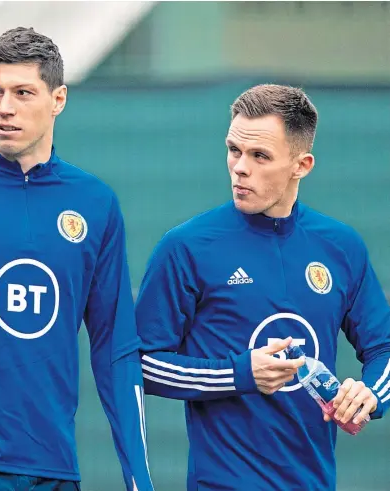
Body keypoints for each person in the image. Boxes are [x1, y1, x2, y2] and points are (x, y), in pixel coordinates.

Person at [135, 84, 390, 490]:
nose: (239, 167)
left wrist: (370, 395)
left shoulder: (341, 246)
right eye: (234, 150)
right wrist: (238, 373)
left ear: (301, 165)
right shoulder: (186, 247)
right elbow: (139, 365)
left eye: (260, 156)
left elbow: (384, 346)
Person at [0, 27, 153, 491]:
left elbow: (115, 350)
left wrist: (139, 477)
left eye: (23, 93)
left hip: (52, 471)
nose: (4, 108)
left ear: (58, 99)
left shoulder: (95, 203)